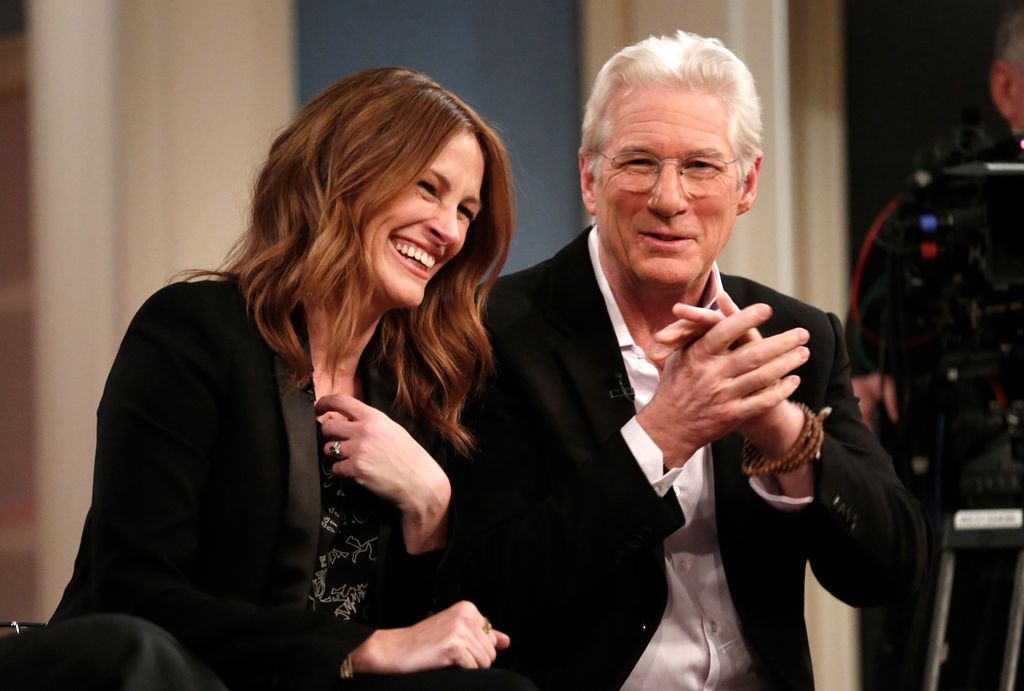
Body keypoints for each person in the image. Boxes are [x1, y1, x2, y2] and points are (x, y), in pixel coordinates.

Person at [444, 31, 932, 690]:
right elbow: (489, 586)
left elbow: (892, 571)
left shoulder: (795, 335)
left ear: (746, 183)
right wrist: (663, 435)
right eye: (639, 162)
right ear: (590, 178)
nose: (669, 198)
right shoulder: (488, 333)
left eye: (701, 166)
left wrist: (785, 434)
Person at [49, 67, 535, 691]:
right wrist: (363, 647)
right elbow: (137, 595)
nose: (448, 230)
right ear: (343, 174)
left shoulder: (420, 393)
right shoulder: (191, 331)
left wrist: (432, 509)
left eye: (466, 211)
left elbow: (427, 638)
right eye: (427, 188)